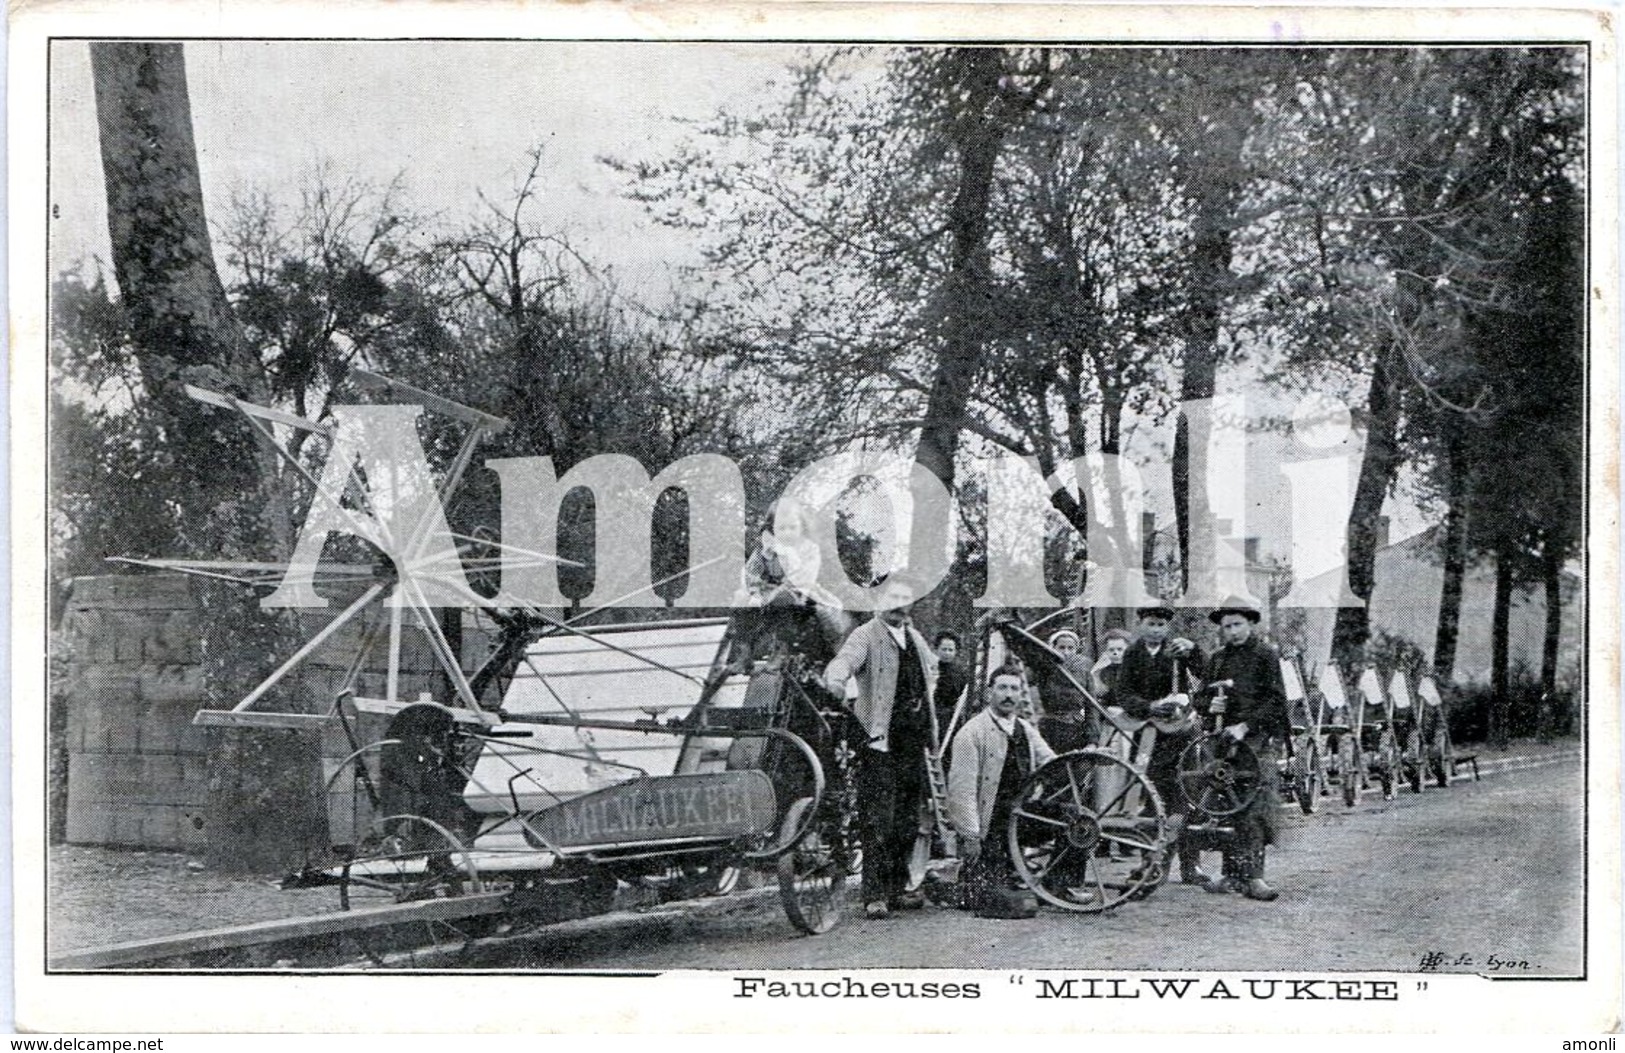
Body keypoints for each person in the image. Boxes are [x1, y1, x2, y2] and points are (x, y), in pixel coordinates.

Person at [824, 575, 938, 919]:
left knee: (906, 819)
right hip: (879, 741)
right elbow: (844, 661)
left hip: (912, 741)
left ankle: (897, 888)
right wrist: (835, 680)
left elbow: (931, 673)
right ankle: (874, 894)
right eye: (892, 596)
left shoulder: (915, 638)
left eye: (905, 596)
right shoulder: (866, 635)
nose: (899, 603)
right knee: (877, 819)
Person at [947, 664, 1057, 916]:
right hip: (991, 827)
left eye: (1014, 689)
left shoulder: (1025, 729)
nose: (1009, 695)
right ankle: (987, 882)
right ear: (989, 693)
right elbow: (961, 791)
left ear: (1021, 694)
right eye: (1002, 688)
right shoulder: (971, 733)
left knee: (1074, 818)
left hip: (1022, 818)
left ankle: (1058, 885)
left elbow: (1052, 762)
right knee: (1001, 900)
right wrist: (971, 835)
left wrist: (1084, 760)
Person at [1200, 602, 1291, 901]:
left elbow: (1276, 701)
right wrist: (1208, 705)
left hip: (1256, 742)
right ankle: (1230, 875)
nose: (1232, 631)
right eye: (1226, 627)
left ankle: (1255, 878)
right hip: (1223, 744)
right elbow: (1201, 695)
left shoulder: (1265, 655)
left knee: (1254, 807)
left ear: (1250, 624)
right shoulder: (1217, 659)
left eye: (1237, 624)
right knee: (1227, 805)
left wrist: (1246, 725)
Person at [1115, 605, 1208, 885]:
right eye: (1151, 624)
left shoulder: (1178, 650)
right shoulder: (1132, 654)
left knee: (1186, 798)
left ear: (1167, 628)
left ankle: (1191, 866)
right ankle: (1152, 864)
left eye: (1161, 625)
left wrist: (1193, 650)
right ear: (1140, 625)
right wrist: (1150, 706)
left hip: (1179, 735)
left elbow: (1206, 672)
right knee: (1151, 799)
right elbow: (1123, 694)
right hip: (1147, 737)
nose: (1156, 630)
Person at [1033, 628, 1100, 754]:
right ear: (1053, 648)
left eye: (1071, 648)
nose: (1066, 652)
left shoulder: (1084, 669)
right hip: (1049, 729)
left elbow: (1091, 706)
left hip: (1075, 729)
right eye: (1061, 647)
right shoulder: (1044, 668)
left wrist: (1092, 741)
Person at [931, 630, 968, 736]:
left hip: (952, 719)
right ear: (936, 650)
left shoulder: (960, 673)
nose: (947, 653)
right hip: (932, 715)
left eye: (950, 650)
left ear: (955, 651)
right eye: (944, 649)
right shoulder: (930, 669)